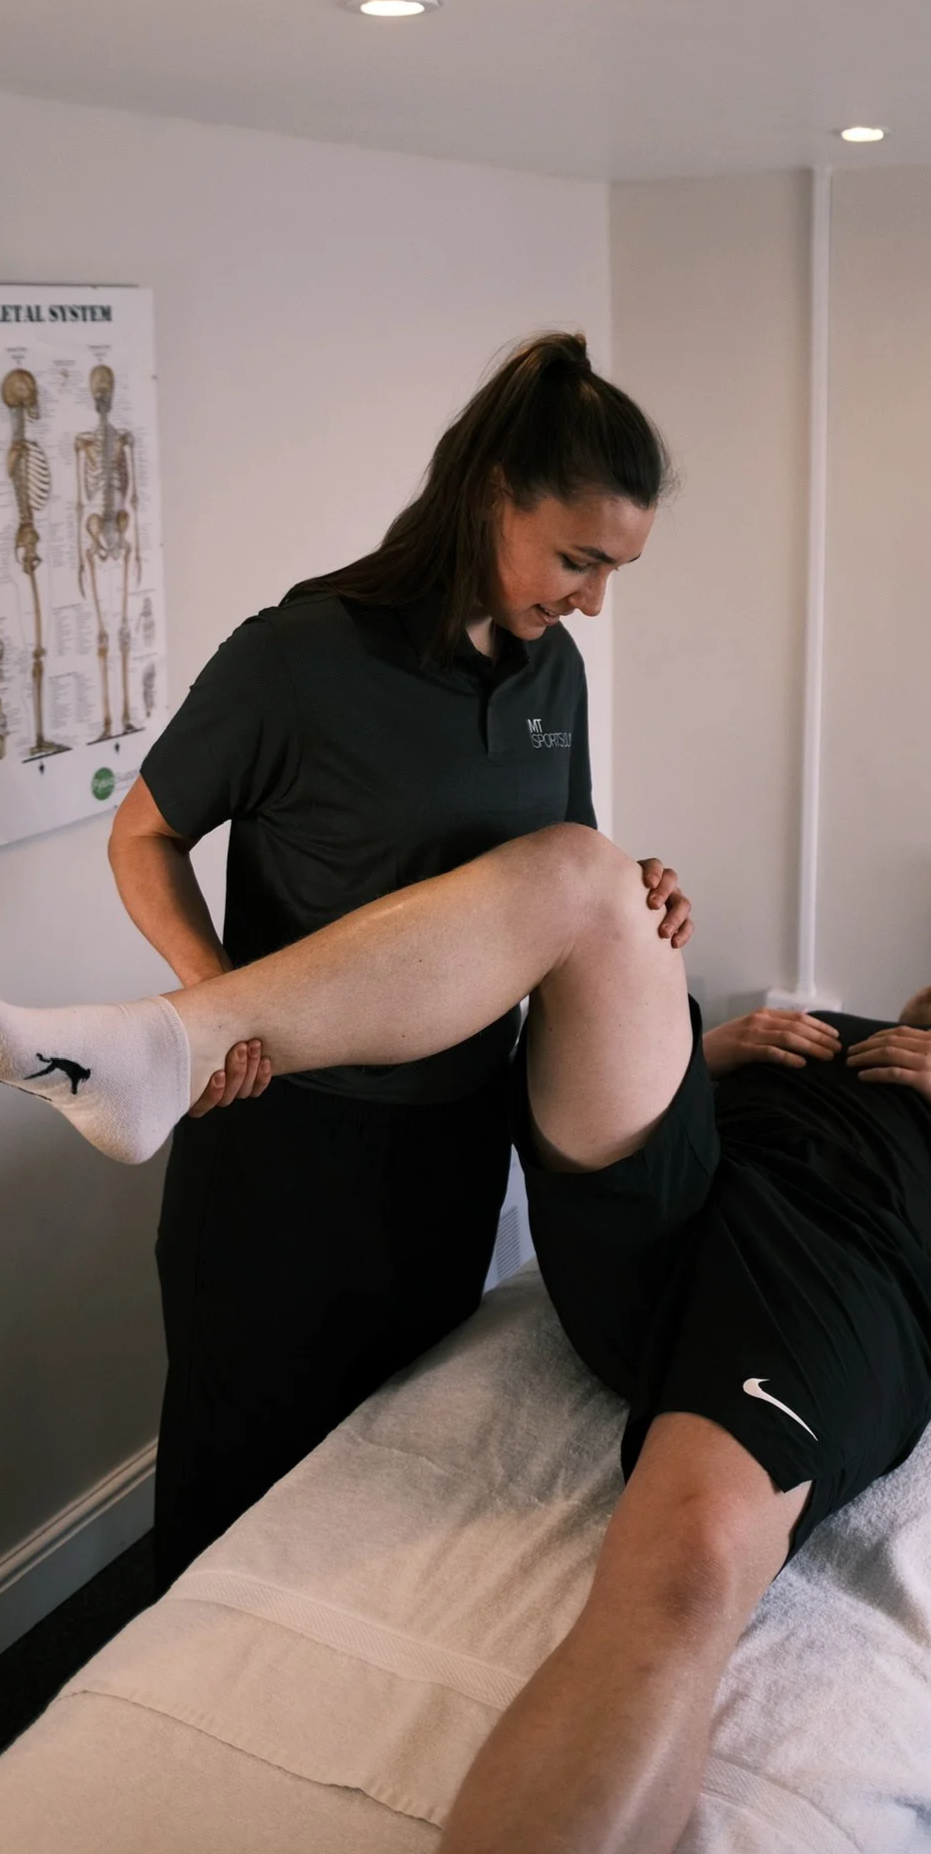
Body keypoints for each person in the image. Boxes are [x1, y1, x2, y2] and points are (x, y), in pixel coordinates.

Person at [1, 822, 931, 1854]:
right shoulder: (811, 1023)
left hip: (825, 1267)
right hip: (677, 1191)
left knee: (687, 1572)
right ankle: (179, 1046)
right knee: (586, 875)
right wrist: (709, 1054)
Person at [104, 330, 693, 1591]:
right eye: (579, 559)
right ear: (496, 494)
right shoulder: (299, 657)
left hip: (456, 1142)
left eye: (615, 569)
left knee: (385, 1480)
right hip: (285, 1143)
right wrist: (214, 1003)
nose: (593, 601)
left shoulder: (554, 677)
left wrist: (631, 893)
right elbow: (142, 834)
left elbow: (551, 875)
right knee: (233, 1497)